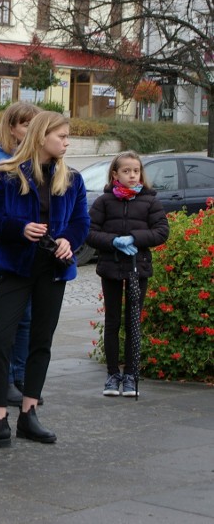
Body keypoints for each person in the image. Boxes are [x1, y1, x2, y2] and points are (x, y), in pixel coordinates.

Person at [0, 111, 90, 449]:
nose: (66, 142)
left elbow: (81, 222)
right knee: (0, 340)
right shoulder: (6, 174)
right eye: (61, 136)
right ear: (42, 136)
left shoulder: (72, 179)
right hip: (15, 267)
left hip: (54, 269)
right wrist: (20, 229)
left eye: (67, 136)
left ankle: (29, 413)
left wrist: (67, 241)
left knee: (41, 341)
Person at [86, 151, 168, 397]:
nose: (132, 175)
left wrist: (135, 238)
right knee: (113, 321)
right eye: (126, 171)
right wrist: (114, 241)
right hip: (111, 268)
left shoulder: (150, 201)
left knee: (133, 321)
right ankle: (113, 374)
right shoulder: (104, 201)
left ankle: (131, 375)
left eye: (136, 171)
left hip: (137, 269)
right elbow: (89, 232)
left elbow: (162, 231)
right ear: (115, 175)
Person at [0, 102, 43, 407]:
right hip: (5, 251)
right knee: (9, 322)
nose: (31, 130)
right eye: (25, 125)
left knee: (27, 319)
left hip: (27, 252)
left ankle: (18, 378)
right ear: (12, 127)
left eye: (35, 124)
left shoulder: (26, 157)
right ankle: (5, 382)